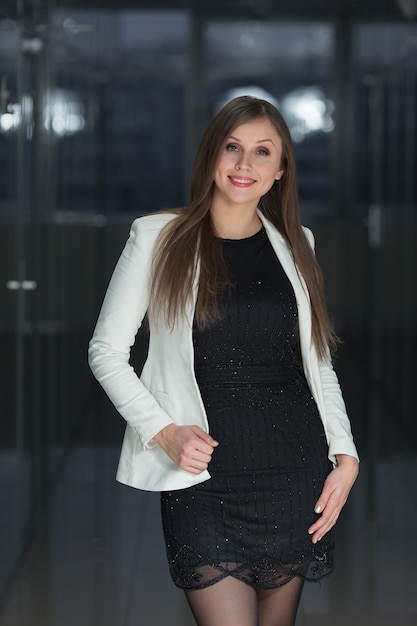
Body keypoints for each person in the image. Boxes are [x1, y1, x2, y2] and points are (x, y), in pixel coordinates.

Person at [88, 95, 359, 626]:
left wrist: (345, 455)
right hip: (202, 477)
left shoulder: (298, 244)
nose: (244, 165)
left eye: (262, 153)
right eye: (233, 148)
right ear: (212, 154)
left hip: (292, 467)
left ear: (280, 171)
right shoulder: (157, 237)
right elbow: (106, 352)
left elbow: (316, 363)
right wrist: (163, 431)